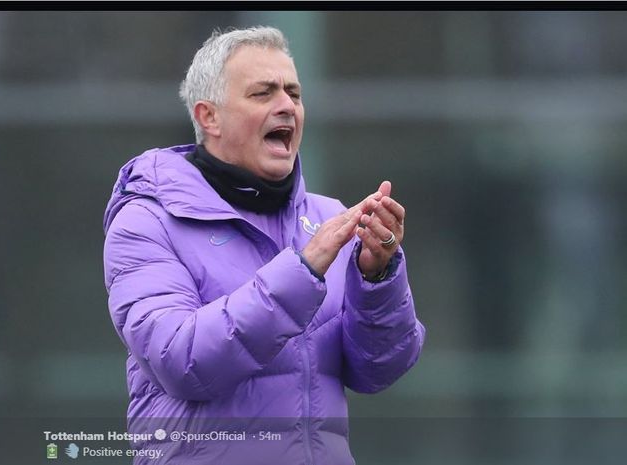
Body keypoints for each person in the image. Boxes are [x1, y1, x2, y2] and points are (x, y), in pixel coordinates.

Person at [103, 26, 425, 465]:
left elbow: (379, 370)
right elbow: (181, 360)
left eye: (294, 93)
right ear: (208, 117)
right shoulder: (146, 220)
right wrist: (302, 272)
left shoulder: (331, 219)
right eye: (263, 93)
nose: (286, 106)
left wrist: (378, 277)